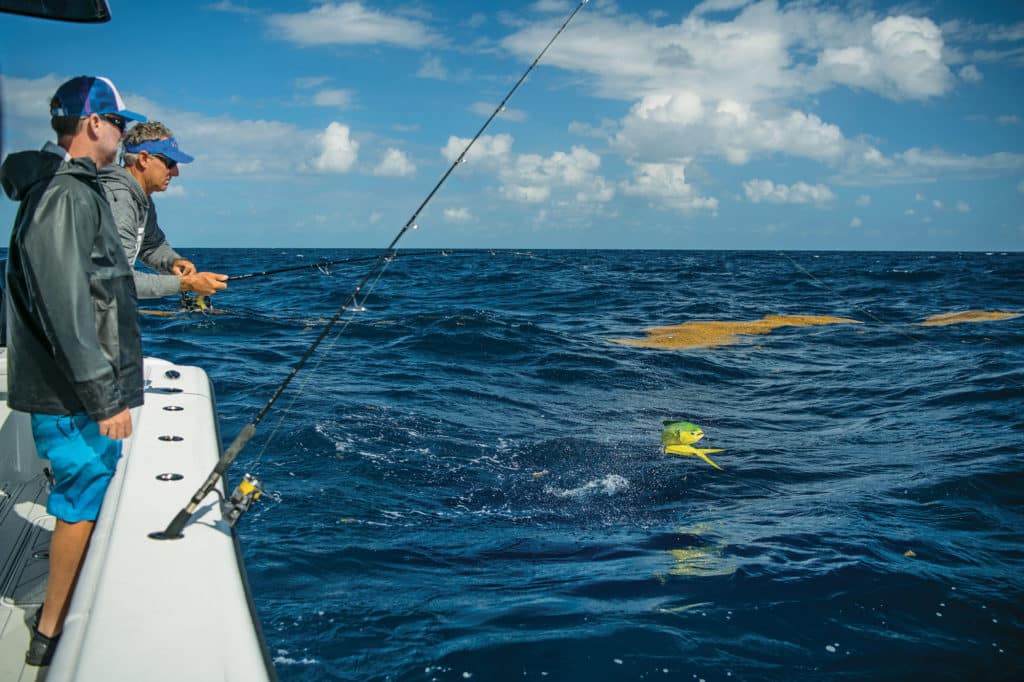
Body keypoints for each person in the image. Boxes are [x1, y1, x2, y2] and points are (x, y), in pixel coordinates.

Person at [0, 75, 146, 666]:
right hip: (75, 398)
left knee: (82, 496)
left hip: (78, 392)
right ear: (92, 123)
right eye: (120, 123)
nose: (124, 134)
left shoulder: (74, 189)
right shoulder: (66, 194)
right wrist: (104, 398)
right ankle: (52, 630)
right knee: (81, 501)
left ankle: (58, 616)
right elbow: (65, 305)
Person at [99, 120, 227, 299]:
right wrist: (186, 284)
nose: (175, 172)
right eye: (170, 163)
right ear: (144, 159)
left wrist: (172, 261)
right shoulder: (119, 200)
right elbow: (115, 280)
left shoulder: (142, 199)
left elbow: (151, 245)